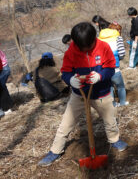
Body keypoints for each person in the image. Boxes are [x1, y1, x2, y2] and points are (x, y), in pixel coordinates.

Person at [38, 22, 127, 166]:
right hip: (79, 94)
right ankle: (55, 151)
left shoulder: (103, 47)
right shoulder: (71, 52)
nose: (85, 49)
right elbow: (66, 72)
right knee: (66, 123)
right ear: (75, 43)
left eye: (88, 46)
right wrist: (70, 80)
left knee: (110, 119)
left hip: (101, 93)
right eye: (82, 47)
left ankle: (114, 140)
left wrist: (100, 76)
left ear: (94, 39)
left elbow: (111, 68)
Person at [94, 16, 128, 107]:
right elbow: (121, 53)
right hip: (115, 67)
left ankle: (113, 104)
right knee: (120, 86)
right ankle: (122, 102)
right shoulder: (118, 38)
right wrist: (119, 59)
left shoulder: (99, 39)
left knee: (109, 87)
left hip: (104, 68)